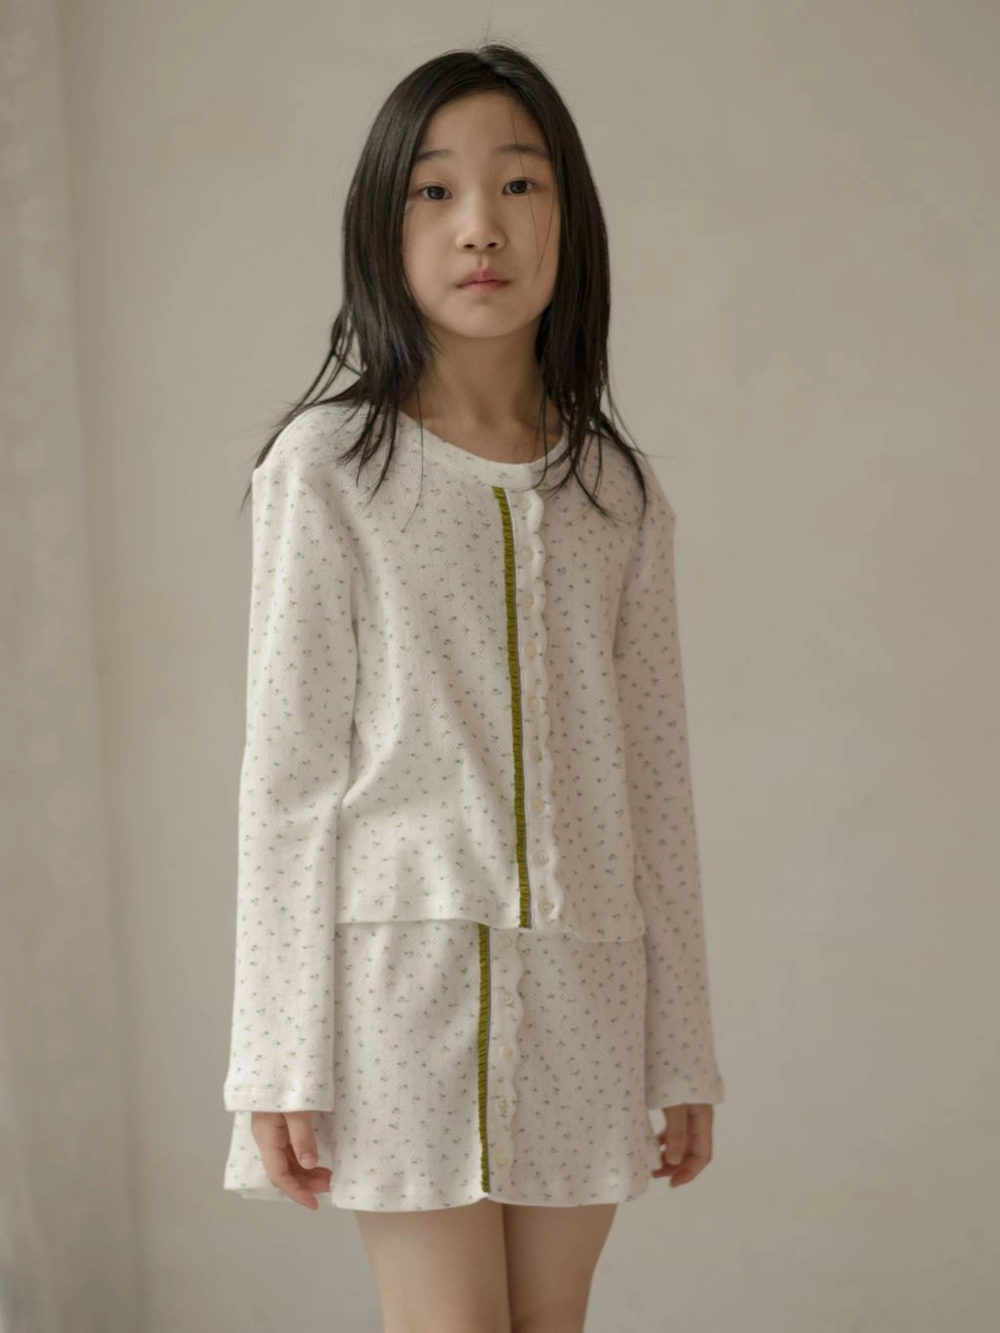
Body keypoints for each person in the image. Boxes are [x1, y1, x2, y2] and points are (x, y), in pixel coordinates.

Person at [221, 40, 725, 1333]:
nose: (480, 225)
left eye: (519, 184)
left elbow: (657, 784)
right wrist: (275, 1054)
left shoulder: (617, 493)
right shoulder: (330, 469)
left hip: (588, 986)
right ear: (381, 231)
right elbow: (288, 779)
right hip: (399, 991)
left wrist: (682, 1047)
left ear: (569, 218)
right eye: (433, 191)